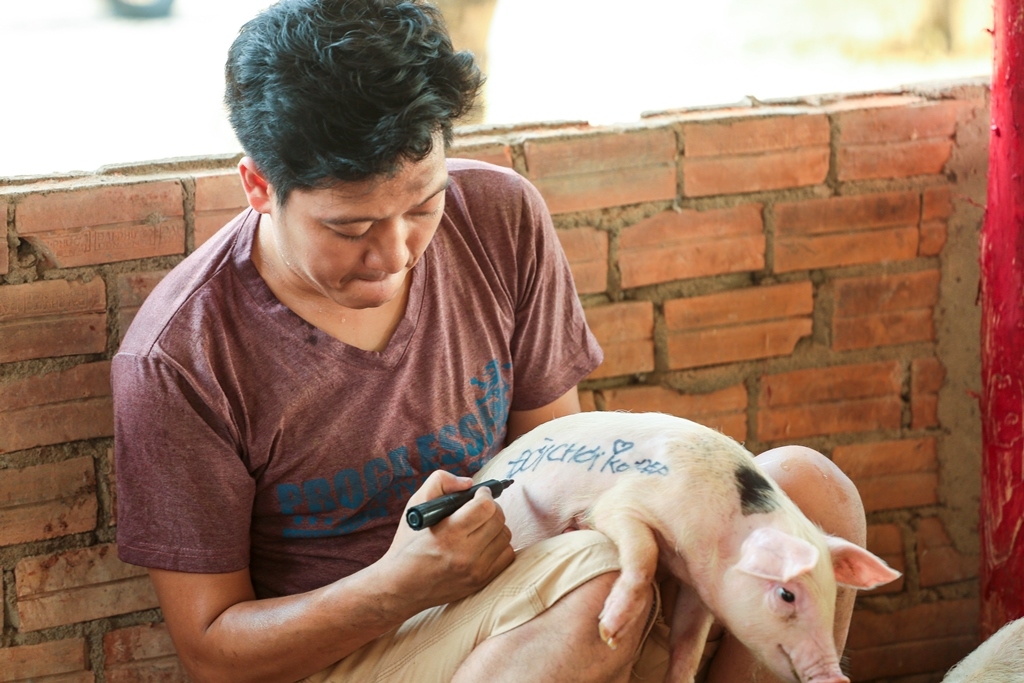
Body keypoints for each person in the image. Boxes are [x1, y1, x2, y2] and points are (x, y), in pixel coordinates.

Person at [111, 1, 866, 681]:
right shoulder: (182, 356)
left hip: (526, 579)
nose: (397, 254)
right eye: (349, 228)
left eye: (422, 205)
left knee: (807, 491)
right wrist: (400, 585)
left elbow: (571, 459)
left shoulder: (498, 216)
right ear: (258, 186)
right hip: (350, 650)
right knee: (596, 577)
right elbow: (210, 650)